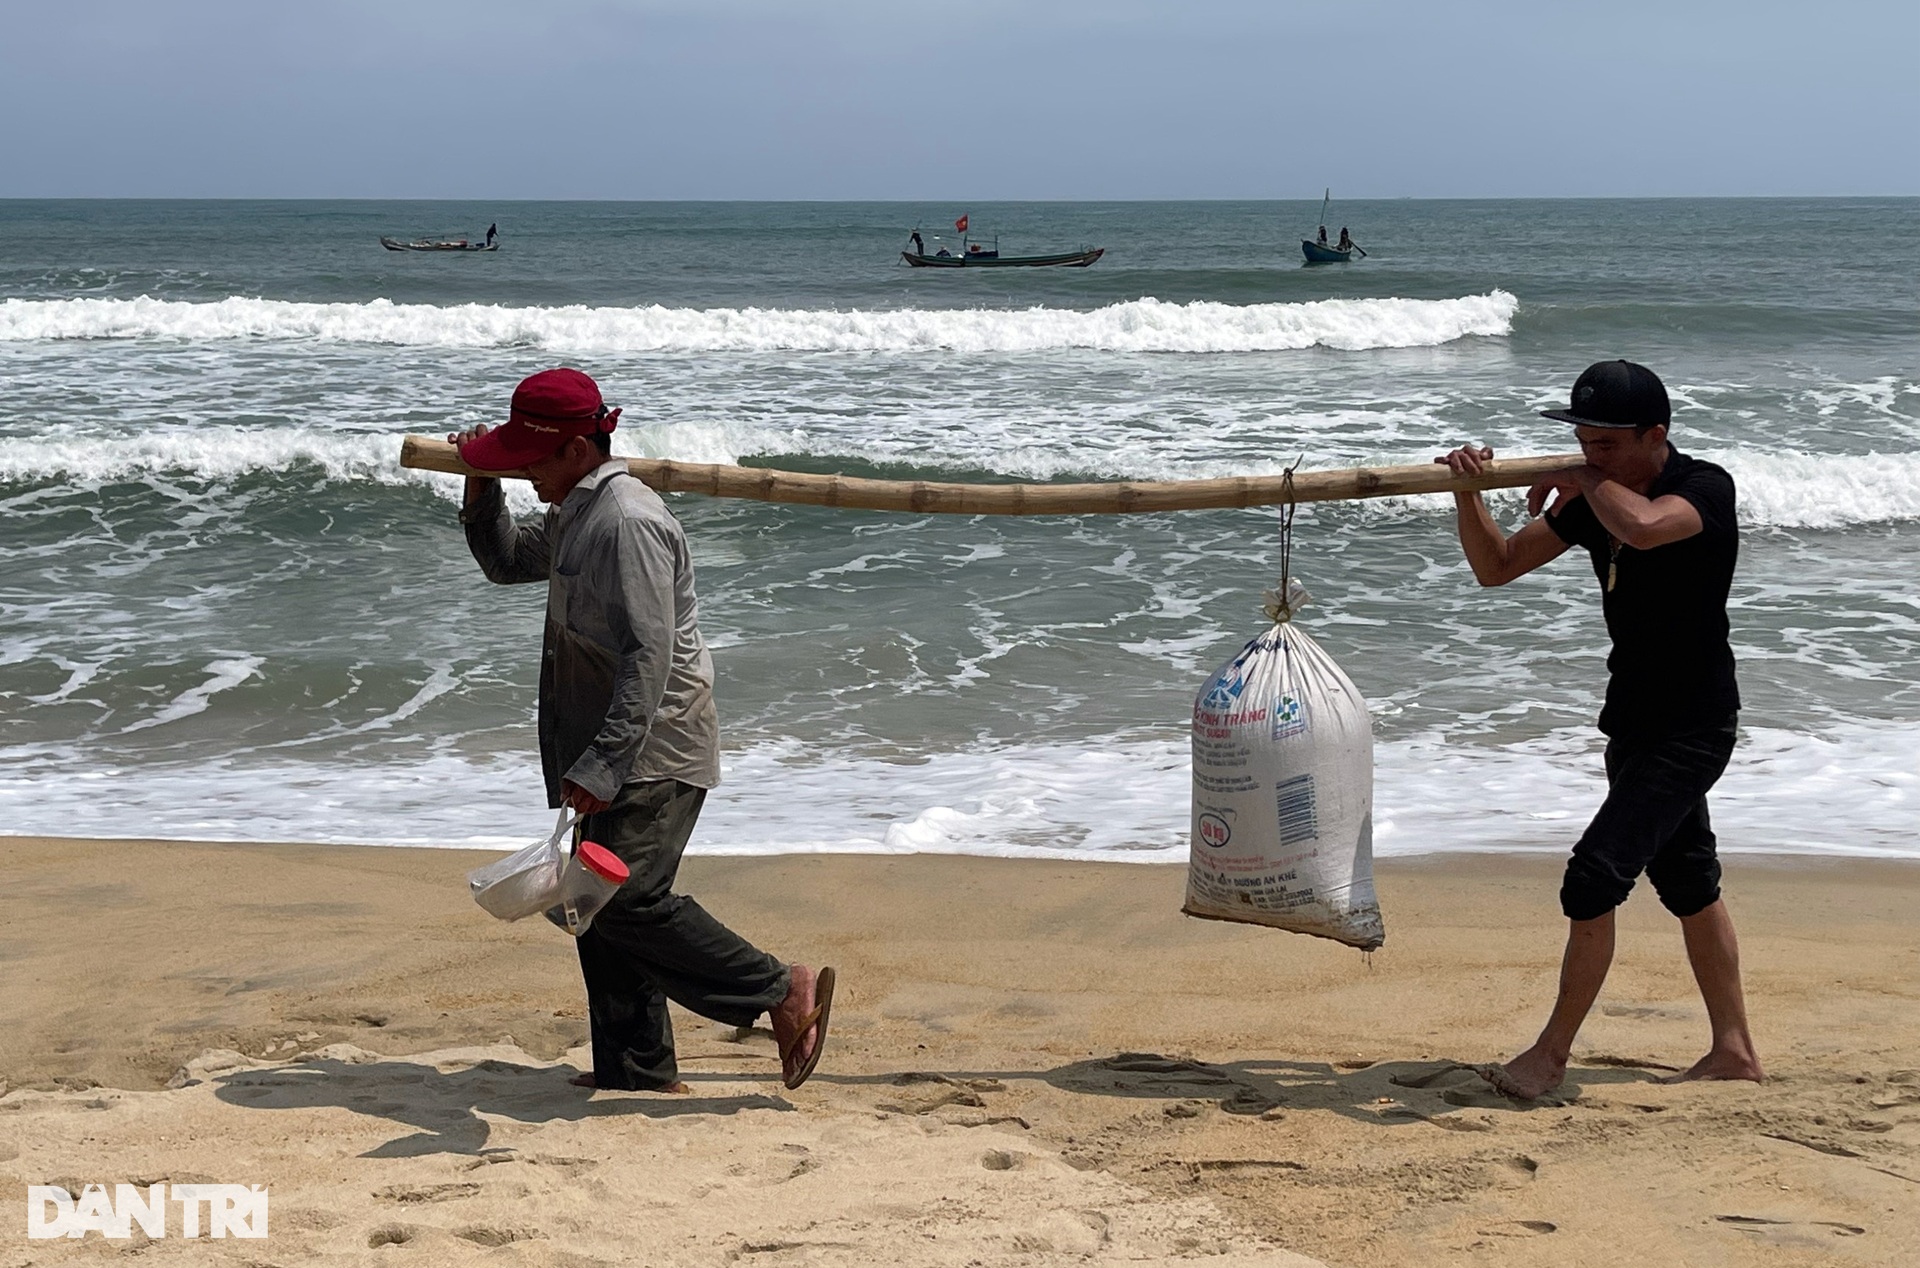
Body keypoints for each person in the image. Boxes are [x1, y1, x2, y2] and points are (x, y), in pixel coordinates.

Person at [447, 368, 835, 1094]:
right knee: (590, 908)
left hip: (653, 748)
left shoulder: (626, 522)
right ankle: (635, 1069)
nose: (524, 471)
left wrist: (603, 764)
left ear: (573, 449)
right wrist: (479, 483)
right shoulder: (575, 512)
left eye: (529, 459)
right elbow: (503, 563)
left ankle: (781, 990)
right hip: (604, 744)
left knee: (626, 902)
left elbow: (649, 658)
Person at [1435, 359, 1760, 1100]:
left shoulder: (1703, 488)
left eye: (1607, 444)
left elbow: (1645, 530)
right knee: (1688, 883)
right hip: (1634, 723)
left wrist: (1584, 482)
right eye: (1584, 443)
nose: (1590, 456)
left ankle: (1549, 1057)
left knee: (1591, 881)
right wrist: (1468, 493)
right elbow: (1498, 565)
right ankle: (1735, 1052)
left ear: (1656, 435)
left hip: (1694, 726)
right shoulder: (1595, 500)